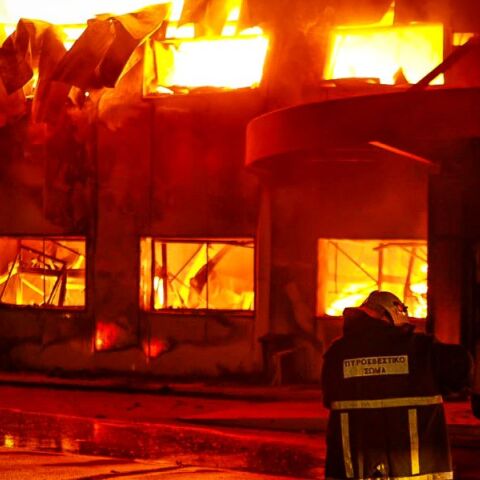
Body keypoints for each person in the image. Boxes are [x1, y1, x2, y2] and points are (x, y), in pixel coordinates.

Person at [321, 291, 472, 480]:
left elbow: (328, 399)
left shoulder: (337, 353)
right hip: (416, 472)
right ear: (393, 314)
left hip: (354, 470)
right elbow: (461, 373)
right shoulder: (423, 349)